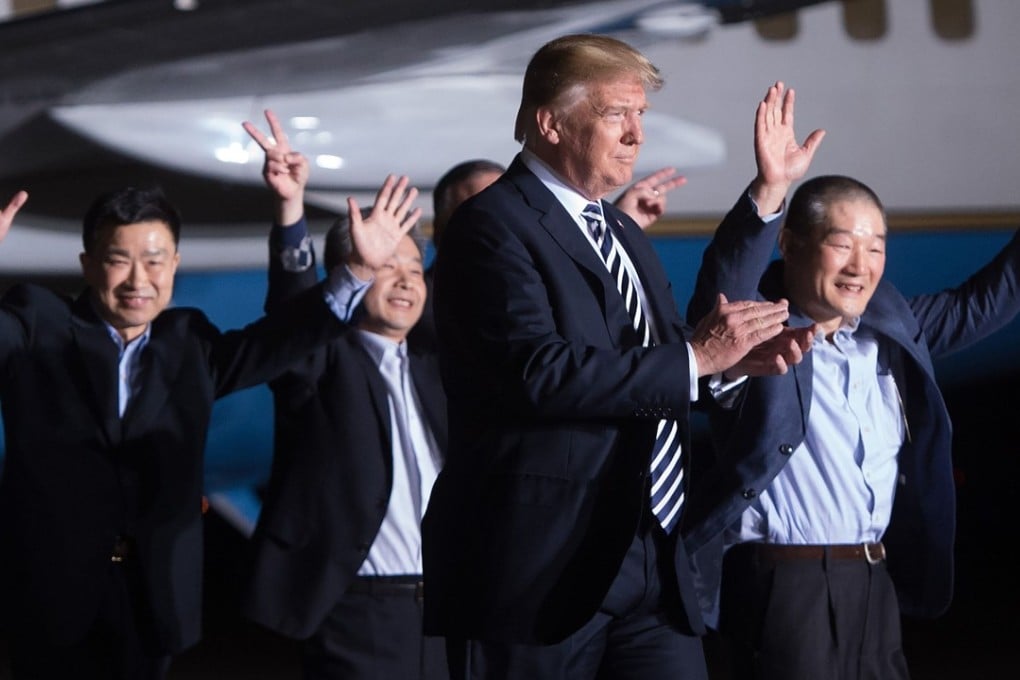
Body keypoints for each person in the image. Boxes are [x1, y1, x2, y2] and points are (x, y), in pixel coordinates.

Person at [421, 34, 809, 679]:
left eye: (641, 117)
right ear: (550, 123)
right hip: (545, 569)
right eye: (614, 115)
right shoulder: (491, 225)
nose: (636, 136)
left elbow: (660, 361)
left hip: (652, 555)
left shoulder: (619, 229)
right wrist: (696, 360)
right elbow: (537, 373)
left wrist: (728, 364)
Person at [0, 178, 413, 679]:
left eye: (155, 260)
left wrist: (359, 271)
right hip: (50, 600)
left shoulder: (187, 341)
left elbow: (278, 341)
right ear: (88, 264)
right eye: (118, 260)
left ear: (174, 264)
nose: (139, 279)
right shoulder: (36, 321)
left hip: (152, 603)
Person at [683, 81, 1020, 679]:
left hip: (873, 577)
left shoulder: (890, 329)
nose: (860, 266)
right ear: (790, 245)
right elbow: (726, 284)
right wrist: (770, 189)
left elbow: (985, 302)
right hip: (784, 583)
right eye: (842, 245)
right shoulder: (756, 330)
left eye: (876, 248)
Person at [239, 111, 448, 679]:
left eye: (415, 269)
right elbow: (291, 319)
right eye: (386, 266)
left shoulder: (437, 369)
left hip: (450, 610)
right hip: (359, 611)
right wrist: (289, 211)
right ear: (351, 275)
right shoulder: (319, 360)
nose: (406, 279)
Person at [410, 160, 686, 353]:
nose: (492, 218)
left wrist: (612, 225)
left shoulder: (537, 281)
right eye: (477, 209)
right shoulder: (416, 303)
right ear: (444, 227)